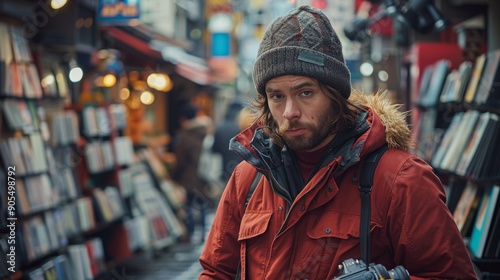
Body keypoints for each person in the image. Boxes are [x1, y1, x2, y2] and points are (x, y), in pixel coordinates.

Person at [199, 5, 477, 280]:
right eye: (277, 96)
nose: (289, 112)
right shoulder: (248, 178)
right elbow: (215, 272)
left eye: (305, 92)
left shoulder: (400, 179)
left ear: (335, 96)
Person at [171, 102, 210, 243]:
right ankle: (203, 236)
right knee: (202, 205)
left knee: (188, 206)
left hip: (187, 178)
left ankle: (190, 232)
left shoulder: (184, 136)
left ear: (183, 119)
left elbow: (179, 161)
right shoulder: (205, 133)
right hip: (202, 176)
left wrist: (173, 177)